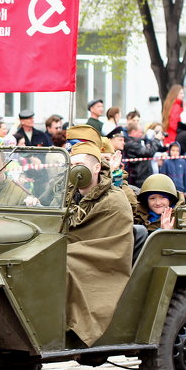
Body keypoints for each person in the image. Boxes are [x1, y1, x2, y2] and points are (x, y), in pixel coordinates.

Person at [64, 141, 134, 346]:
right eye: (71, 165)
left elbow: (112, 244)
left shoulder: (114, 200)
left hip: (102, 259)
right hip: (71, 248)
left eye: (79, 164)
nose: (74, 169)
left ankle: (71, 326)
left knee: (61, 264)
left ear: (96, 168)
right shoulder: (65, 194)